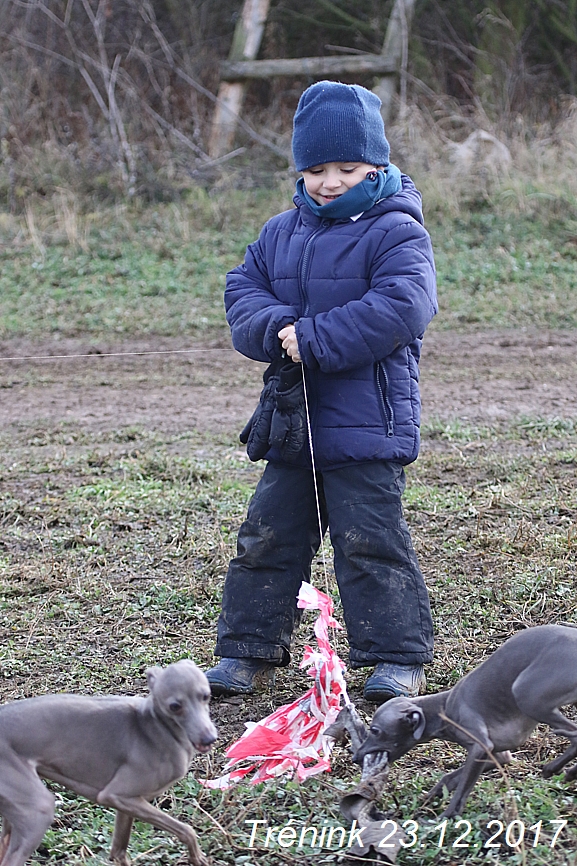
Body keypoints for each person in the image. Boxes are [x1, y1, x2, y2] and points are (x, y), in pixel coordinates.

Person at [206, 80, 437, 704]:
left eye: (346, 168)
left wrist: (316, 337)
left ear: (377, 166)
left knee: (370, 541)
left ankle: (395, 658)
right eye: (315, 169)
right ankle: (244, 650)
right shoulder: (280, 231)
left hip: (368, 424)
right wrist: (275, 328)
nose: (329, 181)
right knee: (266, 536)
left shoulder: (397, 232)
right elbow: (242, 291)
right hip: (290, 422)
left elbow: (403, 307)